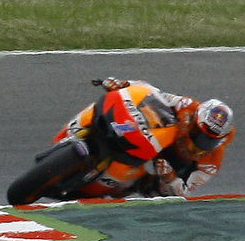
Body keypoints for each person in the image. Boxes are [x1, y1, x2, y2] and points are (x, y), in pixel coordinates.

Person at [72, 78, 236, 196]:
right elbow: (153, 94)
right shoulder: (186, 106)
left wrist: (170, 178)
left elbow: (184, 192)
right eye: (198, 135)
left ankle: (110, 190)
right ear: (194, 120)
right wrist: (126, 85)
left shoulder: (212, 162)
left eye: (208, 141)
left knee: (158, 192)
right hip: (159, 136)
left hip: (170, 164)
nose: (197, 146)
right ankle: (86, 129)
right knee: (120, 117)